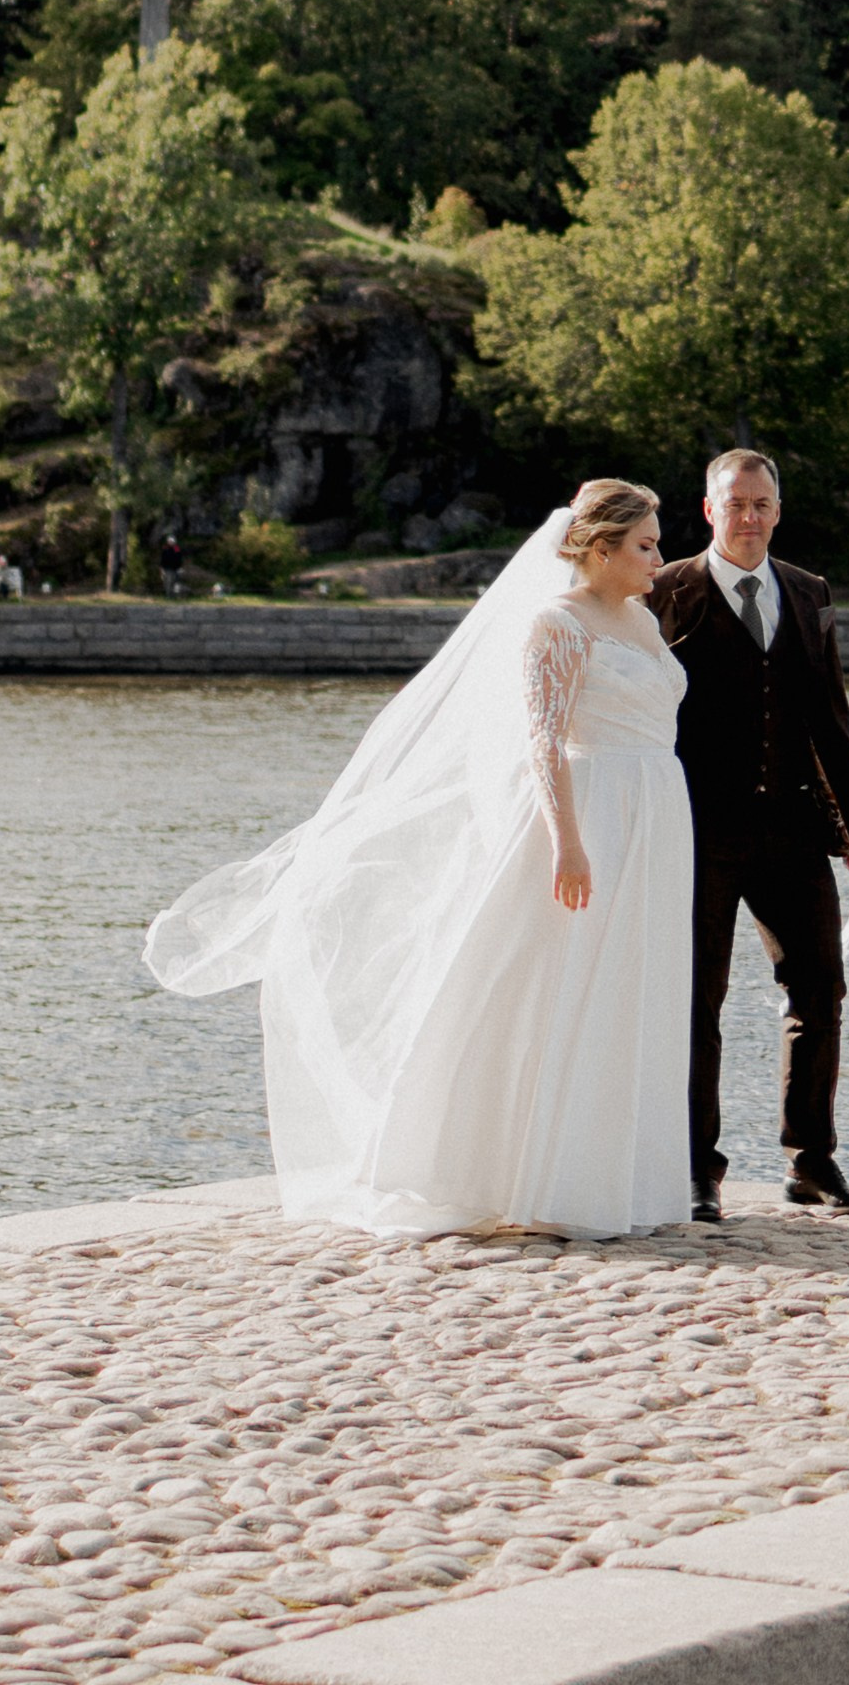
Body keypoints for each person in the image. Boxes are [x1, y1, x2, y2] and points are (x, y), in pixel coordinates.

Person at [142, 480, 692, 1240]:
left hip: (656, 815)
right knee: (556, 985)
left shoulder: (639, 619)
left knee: (627, 987)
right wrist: (568, 840)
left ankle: (609, 1177)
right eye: (645, 544)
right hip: (590, 813)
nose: (659, 557)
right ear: (600, 550)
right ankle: (514, 1176)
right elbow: (544, 739)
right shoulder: (555, 623)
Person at [653, 447, 849, 1224]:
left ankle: (811, 1161)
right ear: (709, 509)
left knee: (821, 988)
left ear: (777, 513)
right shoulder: (662, 592)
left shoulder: (811, 593)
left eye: (762, 505)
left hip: (790, 828)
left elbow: (831, 717)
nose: (748, 517)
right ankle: (694, 1170)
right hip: (696, 833)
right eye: (735, 503)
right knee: (696, 1002)